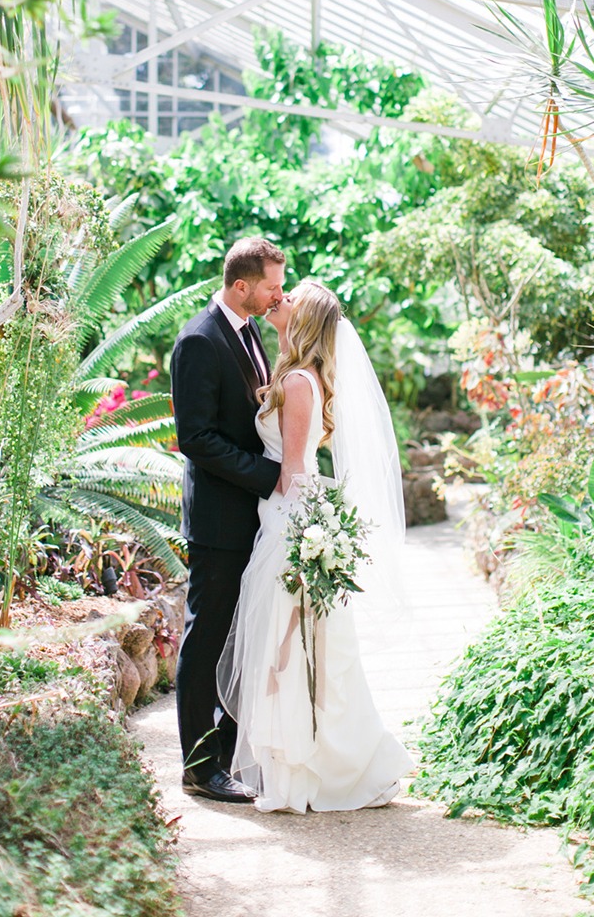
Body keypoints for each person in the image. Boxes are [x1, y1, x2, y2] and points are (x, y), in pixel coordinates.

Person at [217, 280, 413, 813]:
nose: (280, 300)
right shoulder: (292, 369)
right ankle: (298, 760)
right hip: (284, 519)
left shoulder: (300, 381)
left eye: (291, 298)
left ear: (305, 320)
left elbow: (295, 469)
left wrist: (302, 537)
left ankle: (315, 766)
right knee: (293, 647)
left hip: (289, 523)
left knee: (291, 648)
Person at [171, 237, 286, 803]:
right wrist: (268, 475)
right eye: (270, 286)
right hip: (219, 520)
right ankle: (198, 766)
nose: (278, 295)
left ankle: (231, 753)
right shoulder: (199, 339)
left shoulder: (249, 328)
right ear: (241, 286)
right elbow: (195, 437)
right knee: (207, 637)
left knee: (242, 639)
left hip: (253, 516)